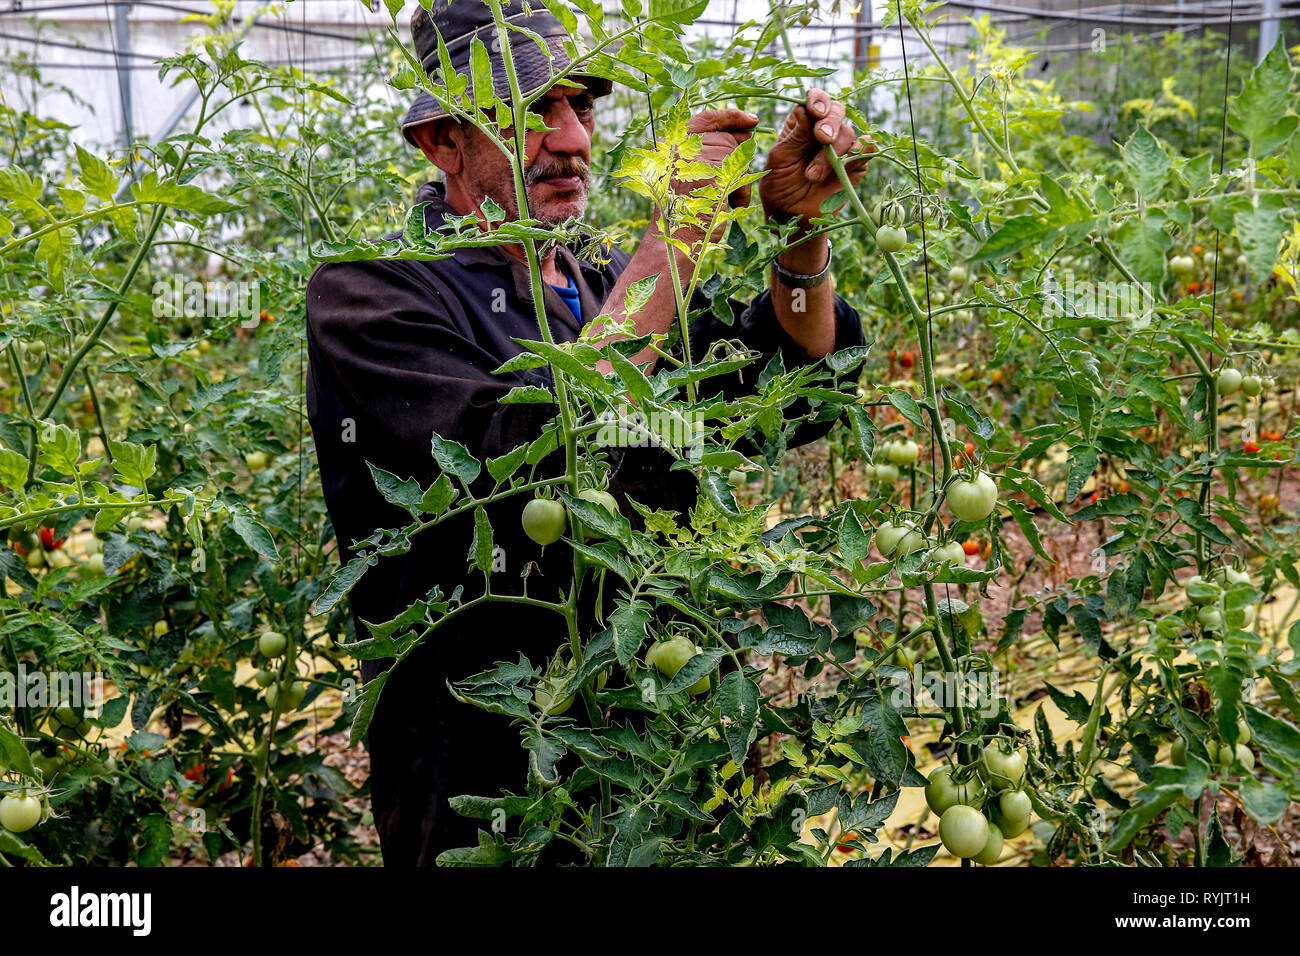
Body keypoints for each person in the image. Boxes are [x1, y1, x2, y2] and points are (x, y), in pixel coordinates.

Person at [305, 0, 873, 865]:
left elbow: (787, 390)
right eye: (536, 113)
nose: (572, 139)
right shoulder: (372, 293)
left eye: (582, 108)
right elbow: (521, 450)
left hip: (654, 743)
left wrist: (801, 237)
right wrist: (676, 238)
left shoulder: (605, 275)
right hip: (484, 771)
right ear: (441, 141)